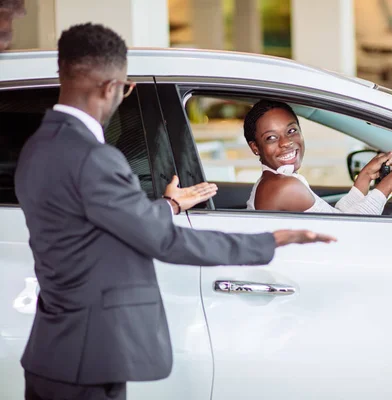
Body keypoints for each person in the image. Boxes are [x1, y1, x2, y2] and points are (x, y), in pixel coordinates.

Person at [14, 23, 335, 400]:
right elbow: (165, 242)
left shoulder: (37, 148)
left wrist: (168, 205)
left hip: (53, 351)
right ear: (114, 88)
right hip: (91, 356)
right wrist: (269, 241)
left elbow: (100, 223)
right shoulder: (95, 158)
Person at [244, 100, 392, 213]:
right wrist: (390, 183)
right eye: (271, 138)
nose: (286, 142)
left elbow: (337, 217)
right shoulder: (284, 187)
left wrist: (365, 176)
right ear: (255, 148)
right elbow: (352, 232)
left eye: (291, 131)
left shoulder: (277, 180)